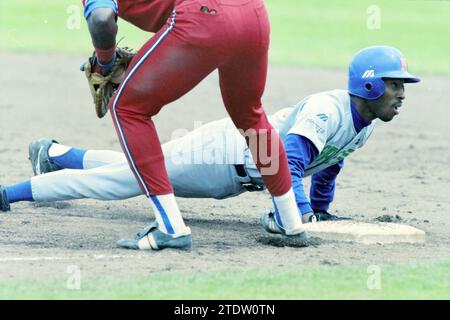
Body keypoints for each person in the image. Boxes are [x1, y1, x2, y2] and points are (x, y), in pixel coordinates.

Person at [0, 46, 420, 247]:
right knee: (125, 181)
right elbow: (287, 158)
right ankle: (9, 194)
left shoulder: (364, 123)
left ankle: (55, 155)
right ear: (368, 83)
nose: (401, 95)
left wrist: (321, 207)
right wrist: (300, 214)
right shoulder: (329, 110)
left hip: (229, 172)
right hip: (219, 156)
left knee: (144, 166)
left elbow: (328, 162)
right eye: (395, 84)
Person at [78, 0, 307, 250]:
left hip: (206, 17)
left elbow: (101, 18)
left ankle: (170, 227)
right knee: (250, 115)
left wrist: (105, 63)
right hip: (253, 15)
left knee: (127, 108)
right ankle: (289, 220)